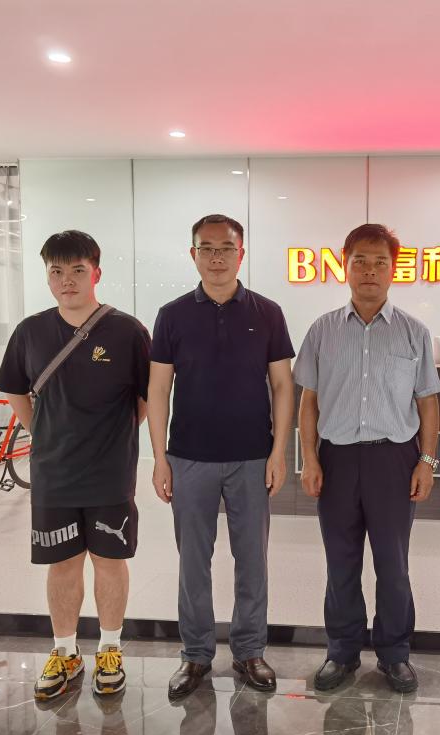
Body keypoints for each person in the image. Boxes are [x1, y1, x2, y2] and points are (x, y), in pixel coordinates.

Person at [0, 230, 150, 700]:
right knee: (62, 563)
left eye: (78, 270)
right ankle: (64, 652)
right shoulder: (30, 331)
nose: (67, 280)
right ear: (47, 276)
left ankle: (109, 648)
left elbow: (145, 400)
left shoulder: (128, 331)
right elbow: (15, 390)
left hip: (109, 473)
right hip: (54, 474)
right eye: (57, 271)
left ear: (96, 273)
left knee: (110, 560)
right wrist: (44, 435)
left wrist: (110, 437)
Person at [147, 214, 295, 698]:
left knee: (252, 559)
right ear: (193, 255)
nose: (216, 257)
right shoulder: (172, 315)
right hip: (189, 457)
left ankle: (250, 651)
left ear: (241, 254)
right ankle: (195, 654)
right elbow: (159, 389)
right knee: (194, 562)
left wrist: (279, 452)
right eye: (206, 248)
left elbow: (282, 386)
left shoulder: (268, 312)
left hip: (252, 457)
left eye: (226, 248)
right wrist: (160, 457)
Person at [294, 223, 440, 693]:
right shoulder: (322, 331)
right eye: (361, 260)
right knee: (341, 562)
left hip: (393, 461)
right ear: (346, 265)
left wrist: (427, 462)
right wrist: (310, 459)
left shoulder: (414, 332)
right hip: (336, 460)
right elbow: (308, 402)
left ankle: (395, 654)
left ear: (393, 269)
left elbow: (428, 403)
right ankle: (341, 652)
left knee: (393, 565)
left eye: (381, 262)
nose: (370, 271)